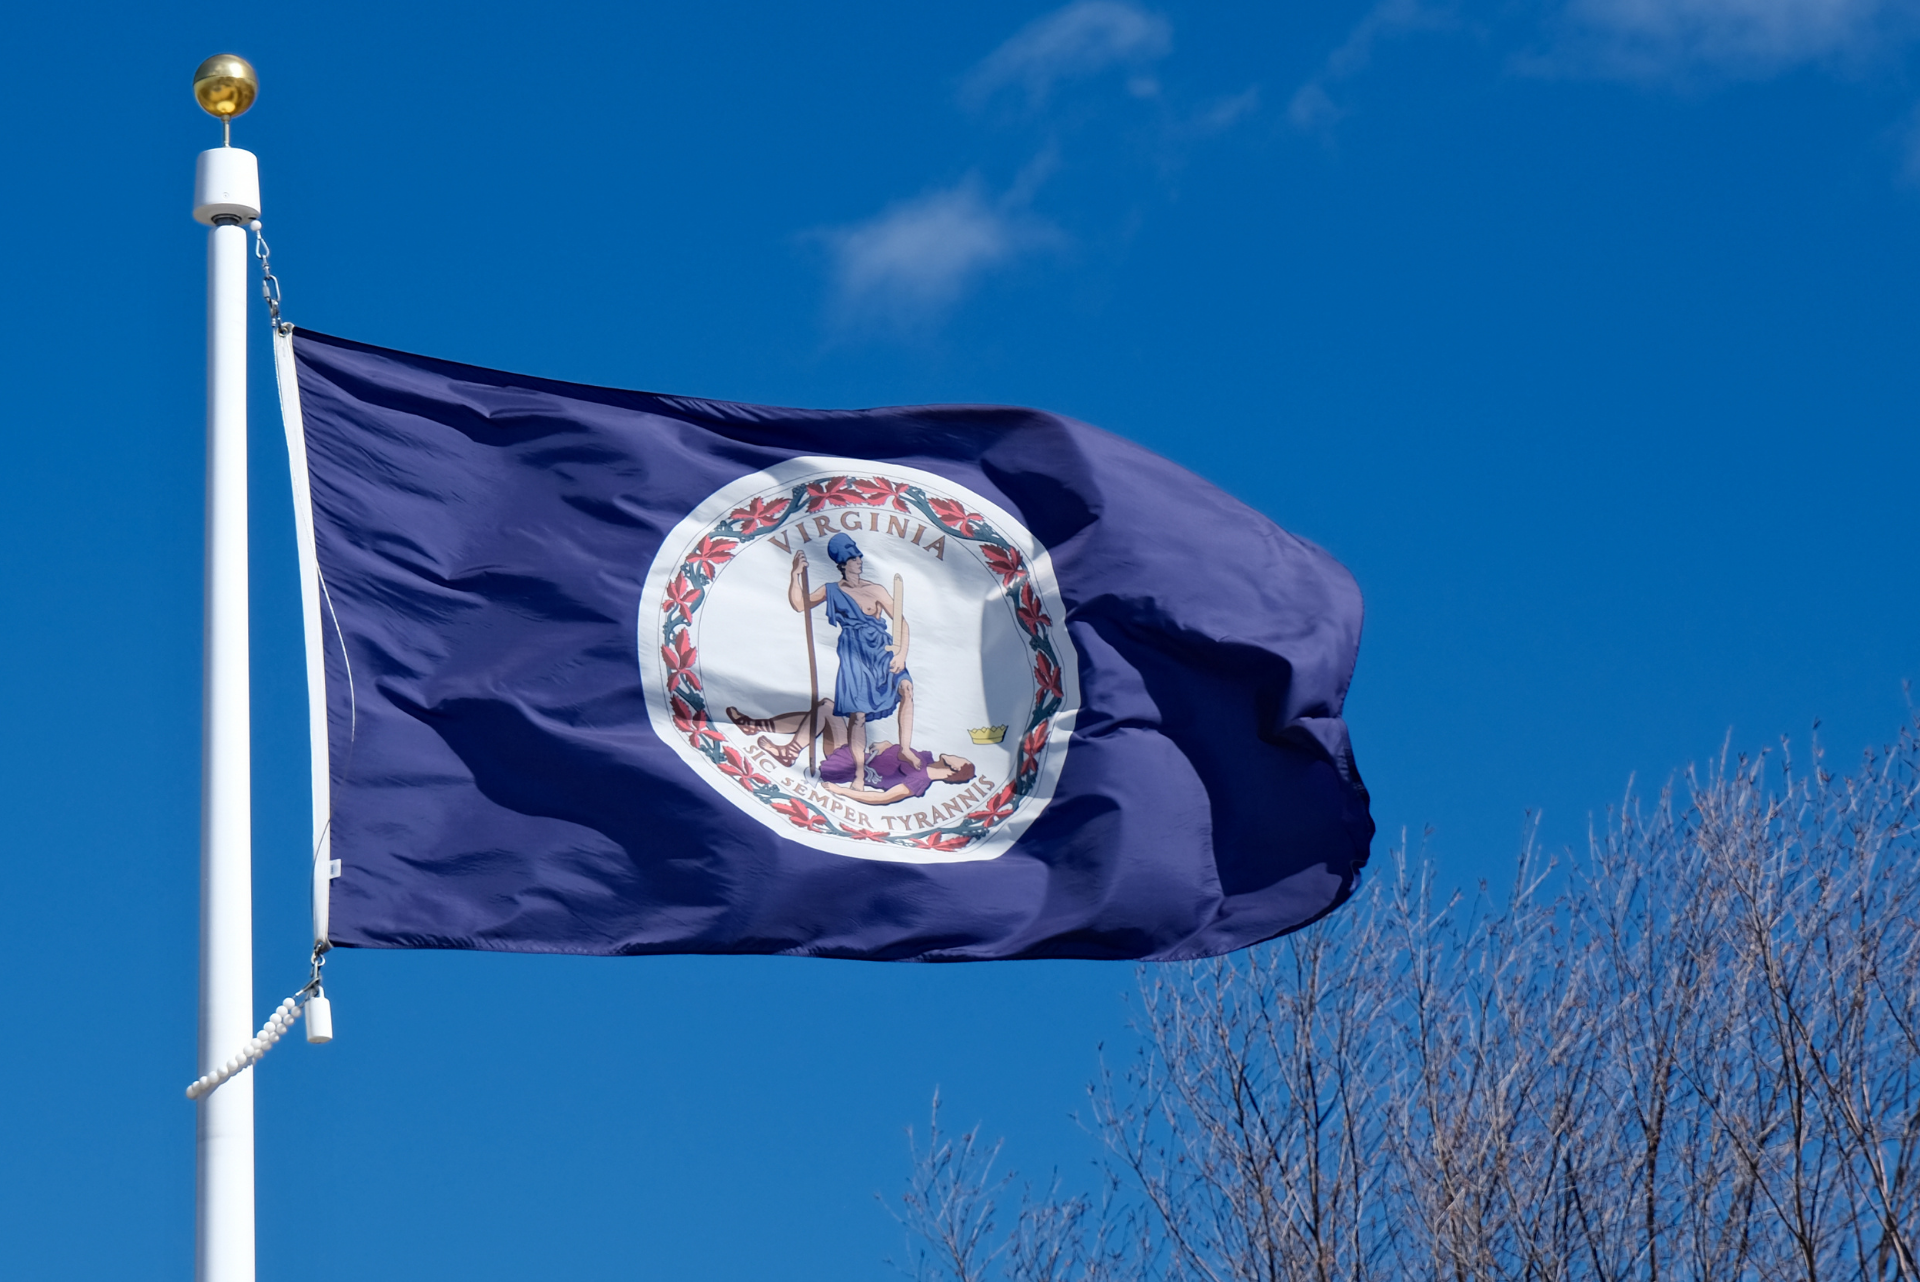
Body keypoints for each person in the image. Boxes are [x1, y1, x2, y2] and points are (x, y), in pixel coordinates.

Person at [787, 533, 917, 781]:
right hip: (854, 653)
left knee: (907, 689)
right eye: (854, 558)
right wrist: (795, 575)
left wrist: (901, 654)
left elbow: (901, 622)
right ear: (843, 563)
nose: (860, 561)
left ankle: (906, 749)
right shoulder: (831, 590)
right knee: (858, 717)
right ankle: (858, 773)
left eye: (859, 556)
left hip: (882, 649)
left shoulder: (875, 589)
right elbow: (799, 604)